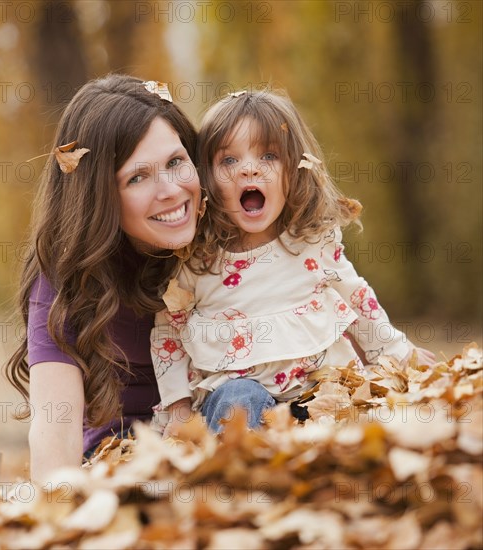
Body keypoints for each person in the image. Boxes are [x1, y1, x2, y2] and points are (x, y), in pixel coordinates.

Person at [150, 89, 435, 436]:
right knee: (238, 401)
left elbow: (359, 300)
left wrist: (399, 354)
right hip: (242, 394)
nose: (249, 170)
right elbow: (168, 330)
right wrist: (178, 406)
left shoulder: (312, 242)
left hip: (321, 387)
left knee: (354, 407)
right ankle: (244, 473)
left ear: (295, 169)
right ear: (206, 176)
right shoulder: (198, 260)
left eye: (268, 156)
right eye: (229, 161)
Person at [5, 74, 201, 482]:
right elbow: (53, 440)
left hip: (229, 440)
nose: (170, 190)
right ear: (100, 196)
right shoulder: (66, 281)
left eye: (176, 162)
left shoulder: (231, 244)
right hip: (124, 470)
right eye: (137, 177)